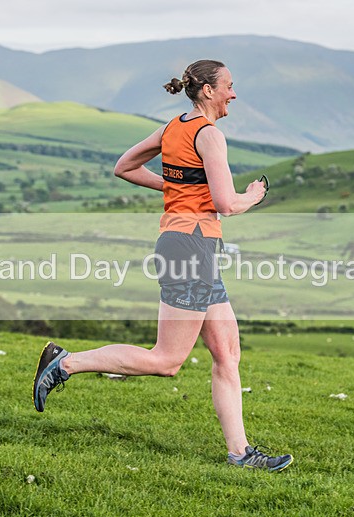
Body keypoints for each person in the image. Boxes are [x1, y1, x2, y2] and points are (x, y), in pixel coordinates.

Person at [33, 59, 293, 472]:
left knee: (227, 353)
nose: (234, 93)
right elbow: (227, 203)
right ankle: (65, 363)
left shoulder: (173, 128)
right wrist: (254, 195)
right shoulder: (209, 135)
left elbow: (125, 167)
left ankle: (241, 453)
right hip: (190, 246)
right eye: (229, 85)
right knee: (166, 360)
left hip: (194, 245)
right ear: (207, 90)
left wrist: (175, 185)